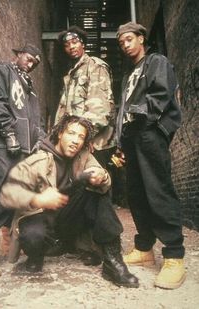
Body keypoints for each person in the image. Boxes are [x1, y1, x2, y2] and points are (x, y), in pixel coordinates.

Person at [0, 114, 139, 288]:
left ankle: (113, 261)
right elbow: (7, 192)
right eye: (71, 133)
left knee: (97, 193)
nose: (75, 141)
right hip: (42, 223)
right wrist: (38, 199)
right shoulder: (39, 159)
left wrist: (101, 176)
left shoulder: (83, 156)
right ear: (59, 134)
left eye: (81, 137)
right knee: (34, 235)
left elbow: (99, 172)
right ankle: (36, 256)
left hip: (67, 222)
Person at [115, 21, 186, 289]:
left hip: (150, 132)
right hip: (132, 137)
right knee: (136, 192)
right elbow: (123, 111)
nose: (125, 44)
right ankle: (144, 247)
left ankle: (174, 255)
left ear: (141, 39)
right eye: (121, 42)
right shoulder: (128, 75)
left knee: (158, 190)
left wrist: (141, 115)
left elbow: (161, 94)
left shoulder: (156, 61)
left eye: (129, 39)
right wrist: (120, 138)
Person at [0, 43, 46, 278]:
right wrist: (9, 132)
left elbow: (35, 122)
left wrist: (41, 142)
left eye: (35, 61)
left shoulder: (29, 88)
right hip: (5, 143)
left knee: (14, 194)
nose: (31, 63)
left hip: (24, 148)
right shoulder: (0, 70)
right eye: (28, 58)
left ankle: (6, 239)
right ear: (18, 54)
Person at [55, 26, 116, 168]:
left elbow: (100, 108)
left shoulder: (95, 66)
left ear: (83, 44)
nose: (71, 46)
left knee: (94, 186)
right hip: (75, 142)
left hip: (93, 143)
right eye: (67, 45)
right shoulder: (71, 74)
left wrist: (85, 136)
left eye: (75, 42)